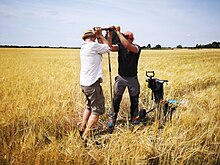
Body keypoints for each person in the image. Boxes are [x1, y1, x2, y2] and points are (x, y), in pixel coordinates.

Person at [79, 28, 111, 140]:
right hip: (92, 84)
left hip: (84, 84)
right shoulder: (93, 46)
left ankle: (82, 128)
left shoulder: (83, 47)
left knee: (88, 107)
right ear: (93, 37)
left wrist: (99, 35)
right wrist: (101, 36)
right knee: (96, 110)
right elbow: (108, 47)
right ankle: (86, 136)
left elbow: (101, 48)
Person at [108, 26, 141, 127]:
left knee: (134, 99)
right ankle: (112, 118)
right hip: (121, 77)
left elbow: (127, 45)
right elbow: (110, 47)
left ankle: (134, 117)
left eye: (129, 37)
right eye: (126, 37)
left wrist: (118, 32)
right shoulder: (120, 46)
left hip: (132, 78)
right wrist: (109, 35)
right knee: (116, 99)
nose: (127, 39)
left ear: (133, 39)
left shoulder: (137, 48)